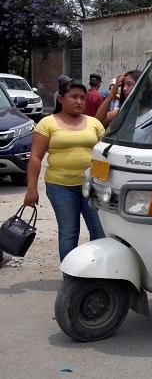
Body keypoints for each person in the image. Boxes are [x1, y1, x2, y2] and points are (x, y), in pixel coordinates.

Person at [23, 83, 105, 264]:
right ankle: (71, 277)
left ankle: (98, 275)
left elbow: (105, 155)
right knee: (69, 232)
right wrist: (31, 189)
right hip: (60, 187)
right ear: (61, 99)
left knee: (100, 231)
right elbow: (36, 157)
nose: (79, 101)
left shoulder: (94, 123)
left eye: (82, 98)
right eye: (74, 97)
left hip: (91, 187)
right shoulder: (47, 123)